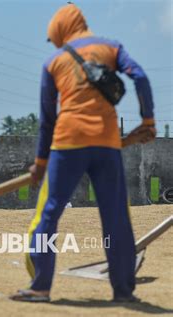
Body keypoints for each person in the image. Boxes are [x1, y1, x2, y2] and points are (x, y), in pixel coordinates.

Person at [11, 4, 155, 303]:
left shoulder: (54, 61)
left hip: (68, 143)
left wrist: (39, 164)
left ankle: (40, 287)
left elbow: (47, 119)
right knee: (116, 217)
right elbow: (139, 76)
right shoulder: (111, 48)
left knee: (50, 213)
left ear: (60, 30)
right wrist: (148, 120)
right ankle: (123, 291)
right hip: (107, 143)